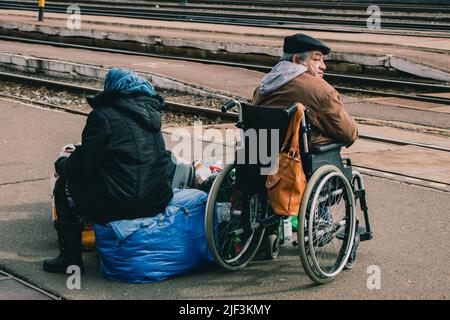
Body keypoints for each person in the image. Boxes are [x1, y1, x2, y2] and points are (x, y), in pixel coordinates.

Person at [43, 68, 174, 274]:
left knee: (65, 185)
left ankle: (70, 259)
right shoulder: (152, 115)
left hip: (119, 204)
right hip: (156, 201)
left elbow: (82, 166)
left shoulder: (103, 116)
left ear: (112, 90)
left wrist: (62, 164)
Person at [252, 33, 358, 146]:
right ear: (297, 60)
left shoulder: (262, 87)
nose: (323, 66)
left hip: (260, 154)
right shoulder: (320, 90)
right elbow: (349, 134)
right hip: (297, 160)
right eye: (316, 59)